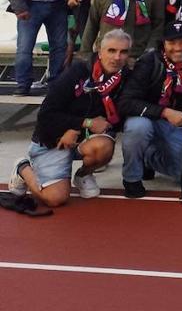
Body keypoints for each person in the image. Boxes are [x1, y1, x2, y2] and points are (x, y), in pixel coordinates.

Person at [8, 29, 132, 208]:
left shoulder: (125, 78)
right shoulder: (77, 71)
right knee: (55, 199)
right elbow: (46, 115)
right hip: (54, 140)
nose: (117, 57)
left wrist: (78, 128)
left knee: (103, 146)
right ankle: (22, 168)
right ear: (99, 50)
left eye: (123, 52)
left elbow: (116, 117)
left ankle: (83, 175)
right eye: (111, 50)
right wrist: (82, 123)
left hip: (84, 138)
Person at [117, 20, 182, 197]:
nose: (178, 48)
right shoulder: (148, 62)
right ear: (163, 43)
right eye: (172, 42)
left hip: (176, 125)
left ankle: (149, 158)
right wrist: (164, 112)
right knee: (137, 128)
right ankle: (132, 178)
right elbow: (126, 102)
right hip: (146, 118)